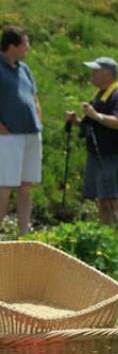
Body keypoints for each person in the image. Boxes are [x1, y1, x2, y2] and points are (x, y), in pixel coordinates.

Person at [64, 57, 118, 227]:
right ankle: (106, 230)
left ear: (108, 74)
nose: (92, 74)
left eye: (96, 71)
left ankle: (116, 231)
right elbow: (93, 124)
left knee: (110, 196)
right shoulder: (99, 95)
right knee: (102, 198)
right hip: (97, 154)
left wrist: (96, 115)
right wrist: (77, 121)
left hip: (111, 154)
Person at [0, 26, 43, 237]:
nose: (28, 48)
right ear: (12, 46)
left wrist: (38, 117)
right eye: (25, 44)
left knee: (26, 185)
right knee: (5, 185)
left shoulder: (24, 69)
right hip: (9, 136)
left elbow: (33, 97)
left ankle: (24, 233)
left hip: (31, 133)